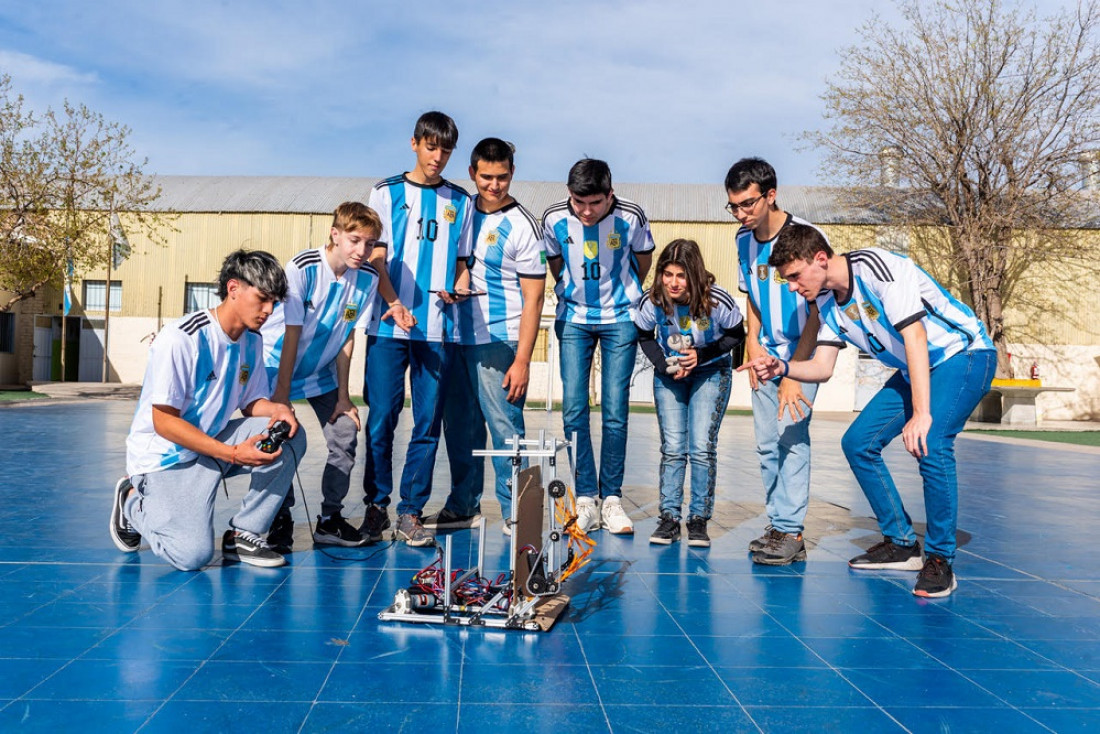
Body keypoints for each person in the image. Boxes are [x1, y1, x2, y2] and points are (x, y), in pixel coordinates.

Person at [739, 223, 996, 597]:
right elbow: (823, 367)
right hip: (917, 368)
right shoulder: (826, 301)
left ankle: (940, 559)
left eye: (795, 277)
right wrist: (783, 368)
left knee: (932, 441)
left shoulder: (879, 269)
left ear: (821, 259)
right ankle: (902, 543)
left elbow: (916, 337)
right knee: (858, 442)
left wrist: (921, 413)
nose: (793, 287)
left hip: (964, 355)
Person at [109, 250, 305, 571]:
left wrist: (277, 410)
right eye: (263, 298)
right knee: (192, 556)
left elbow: (251, 403)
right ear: (233, 289)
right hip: (165, 460)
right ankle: (131, 498)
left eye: (275, 302)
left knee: (291, 437)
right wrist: (232, 453)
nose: (269, 310)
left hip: (209, 446)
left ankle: (244, 533)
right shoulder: (182, 338)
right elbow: (164, 422)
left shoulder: (252, 341)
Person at [361, 111, 474, 547]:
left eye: (446, 149)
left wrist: (461, 283)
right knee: (382, 419)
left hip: (436, 330)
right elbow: (376, 258)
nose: (438, 156)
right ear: (414, 144)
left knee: (426, 423)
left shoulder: (459, 201)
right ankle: (376, 507)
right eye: (431, 146)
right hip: (388, 327)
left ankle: (410, 512)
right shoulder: (386, 192)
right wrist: (394, 302)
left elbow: (463, 262)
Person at [431, 138, 546, 534]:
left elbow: (534, 300)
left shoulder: (524, 226)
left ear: (512, 173)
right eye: (486, 177)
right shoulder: (460, 213)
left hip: (501, 341)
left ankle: (519, 512)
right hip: (457, 337)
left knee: (504, 428)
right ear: (472, 174)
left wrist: (523, 360)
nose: (494, 185)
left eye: (501, 177)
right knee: (460, 427)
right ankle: (463, 504)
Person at [261, 202, 381, 552]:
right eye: (355, 240)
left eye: (370, 244)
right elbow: (292, 330)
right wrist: (281, 396)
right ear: (335, 234)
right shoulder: (303, 267)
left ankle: (330, 519)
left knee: (344, 430)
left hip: (320, 370)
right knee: (278, 439)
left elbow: (347, 337)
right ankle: (279, 517)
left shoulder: (368, 279)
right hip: (276, 365)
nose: (362, 251)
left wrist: (344, 396)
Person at [543, 158, 654, 535]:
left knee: (614, 409)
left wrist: (622, 293)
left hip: (621, 317)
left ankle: (612, 499)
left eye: (595, 203)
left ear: (611, 194)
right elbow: (556, 265)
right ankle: (587, 496)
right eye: (579, 202)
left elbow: (643, 260)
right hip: (574, 318)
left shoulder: (633, 217)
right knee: (574, 407)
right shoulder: (553, 219)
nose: (586, 211)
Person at [725, 157, 823, 566]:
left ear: (771, 195)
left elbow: (819, 311)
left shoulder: (806, 237)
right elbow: (751, 296)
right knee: (767, 446)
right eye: (733, 206)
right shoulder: (742, 240)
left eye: (748, 204)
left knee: (792, 440)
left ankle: (792, 531)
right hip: (764, 355)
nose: (741, 213)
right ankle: (778, 525)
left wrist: (793, 374)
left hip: (802, 352)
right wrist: (752, 347)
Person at [635, 239, 745, 547]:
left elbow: (737, 334)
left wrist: (702, 355)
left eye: (680, 275)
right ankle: (669, 518)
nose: (672, 282)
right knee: (672, 447)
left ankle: (698, 520)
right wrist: (664, 366)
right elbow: (644, 335)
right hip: (670, 374)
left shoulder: (717, 300)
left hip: (710, 371)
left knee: (700, 448)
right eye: (667, 274)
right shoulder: (652, 301)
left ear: (693, 275)